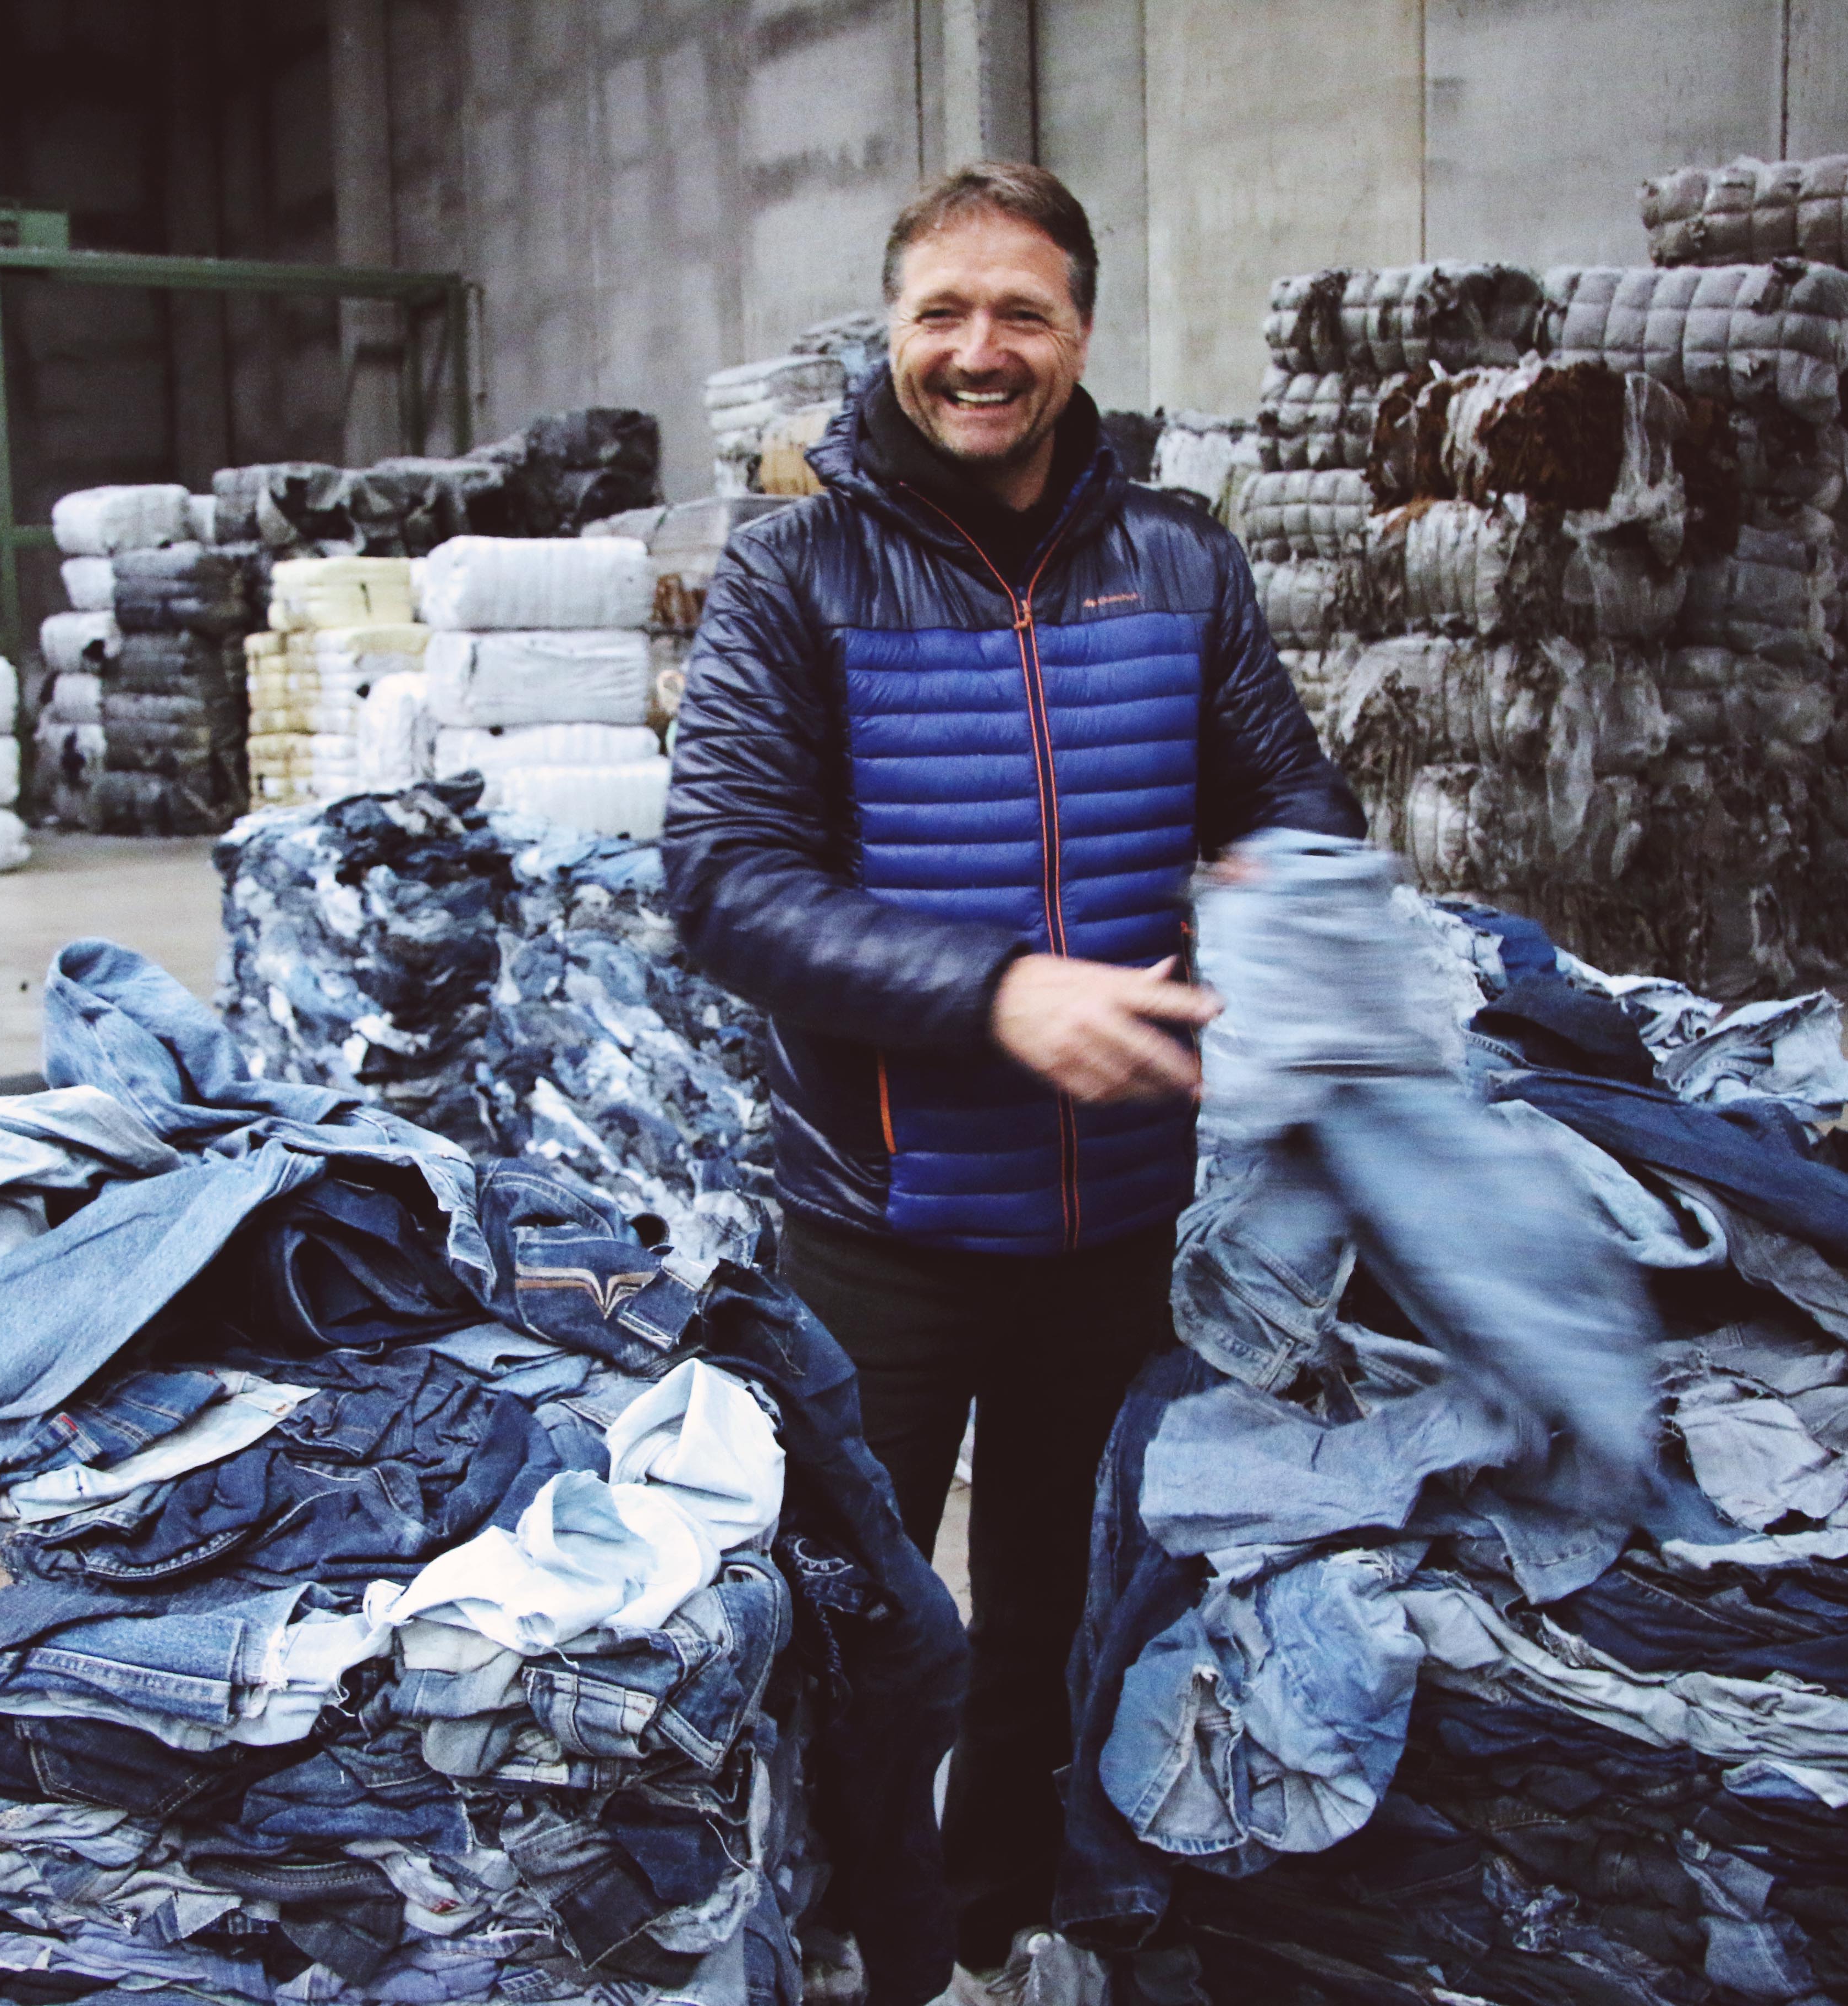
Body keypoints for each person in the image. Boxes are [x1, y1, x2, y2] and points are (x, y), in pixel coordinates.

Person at [661, 162, 1365, 1989]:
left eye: (1022, 314)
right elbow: (723, 882)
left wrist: (1279, 892)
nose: (981, 351)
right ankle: (850, 1939)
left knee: (1071, 1604)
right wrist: (996, 993)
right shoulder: (797, 572)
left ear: (1081, 334)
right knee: (856, 1625)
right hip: (885, 1216)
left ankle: (998, 1917)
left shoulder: (1181, 561)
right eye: (944, 314)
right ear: (892, 334)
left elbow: (1290, 798)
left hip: (1128, 1214)